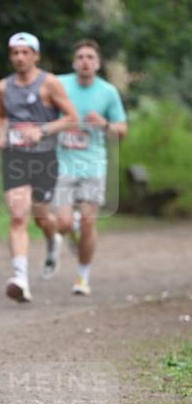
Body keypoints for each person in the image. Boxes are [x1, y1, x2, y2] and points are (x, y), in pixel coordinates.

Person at [0, 32, 77, 303]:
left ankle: (53, 239)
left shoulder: (49, 83)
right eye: (15, 53)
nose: (20, 57)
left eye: (25, 52)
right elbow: (0, 116)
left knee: (42, 218)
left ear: (35, 55)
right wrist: (1, 134)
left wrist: (41, 131)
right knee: (18, 216)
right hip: (15, 157)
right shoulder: (2, 87)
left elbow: (71, 117)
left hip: (44, 158)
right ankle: (20, 279)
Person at [53, 38, 127, 296]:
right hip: (61, 163)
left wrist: (104, 124)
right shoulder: (58, 85)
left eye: (90, 57)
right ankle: (71, 230)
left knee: (88, 222)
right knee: (62, 223)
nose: (85, 61)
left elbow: (122, 131)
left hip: (93, 165)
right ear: (74, 63)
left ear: (97, 63)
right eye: (80, 57)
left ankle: (82, 277)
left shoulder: (108, 92)